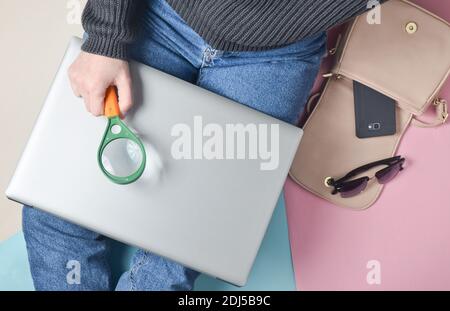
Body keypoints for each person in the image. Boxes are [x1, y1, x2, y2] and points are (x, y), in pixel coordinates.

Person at [23, 0, 383, 291]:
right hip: (158, 14)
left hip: (281, 53)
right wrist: (106, 33)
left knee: (184, 249)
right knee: (54, 209)